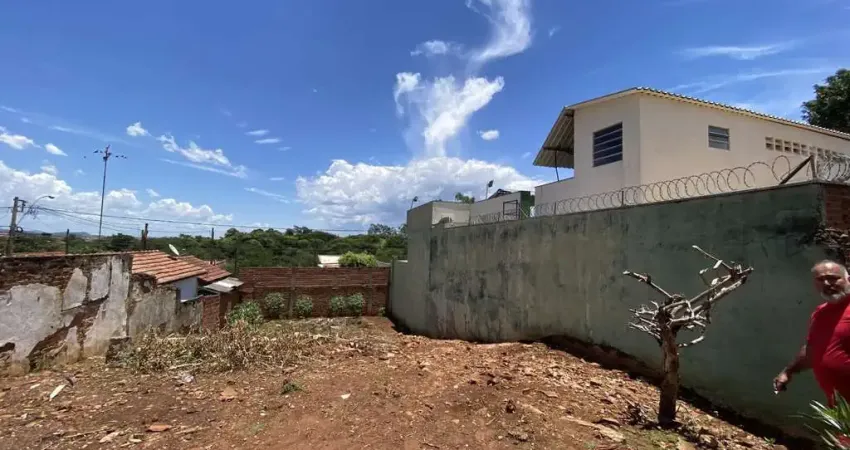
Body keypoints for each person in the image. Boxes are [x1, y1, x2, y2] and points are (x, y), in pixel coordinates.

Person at [774, 260, 850, 406]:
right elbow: (812, 349)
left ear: (848, 279)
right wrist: (788, 371)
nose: (827, 284)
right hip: (840, 408)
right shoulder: (820, 313)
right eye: (820, 280)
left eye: (833, 278)